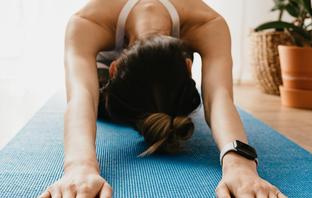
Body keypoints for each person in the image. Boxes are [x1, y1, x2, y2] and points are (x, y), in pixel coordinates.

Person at [39, 0, 287, 197]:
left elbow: (218, 95)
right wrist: (79, 166)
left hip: (129, 77)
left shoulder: (207, 23)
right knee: (97, 97)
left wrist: (240, 164)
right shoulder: (88, 21)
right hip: (105, 78)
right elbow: (82, 95)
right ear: (188, 67)